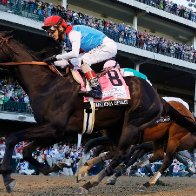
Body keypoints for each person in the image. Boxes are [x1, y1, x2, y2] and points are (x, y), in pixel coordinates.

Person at [42, 15, 117, 99]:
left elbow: (74, 53)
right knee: (73, 62)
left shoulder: (73, 33)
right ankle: (85, 84)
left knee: (83, 61)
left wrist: (55, 57)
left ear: (60, 28)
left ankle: (97, 90)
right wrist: (50, 63)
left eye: (51, 31)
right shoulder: (66, 39)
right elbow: (66, 61)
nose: (49, 34)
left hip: (107, 46)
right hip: (97, 47)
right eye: (48, 32)